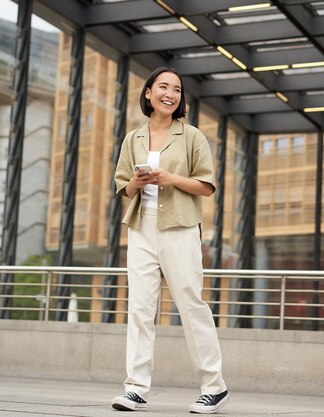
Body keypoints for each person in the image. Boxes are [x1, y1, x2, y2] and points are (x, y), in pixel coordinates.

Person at [111, 67, 229, 414]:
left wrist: (170, 178)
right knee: (140, 309)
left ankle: (214, 386)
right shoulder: (132, 139)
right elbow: (123, 188)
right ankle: (135, 388)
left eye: (176, 89)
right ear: (148, 93)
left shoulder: (191, 136)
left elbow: (206, 186)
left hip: (179, 228)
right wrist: (138, 181)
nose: (170, 93)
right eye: (163, 86)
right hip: (141, 229)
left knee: (191, 305)